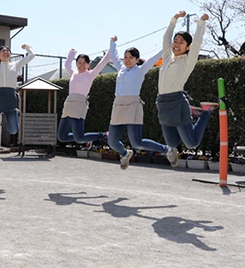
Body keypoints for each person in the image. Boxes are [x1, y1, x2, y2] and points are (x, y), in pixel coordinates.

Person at [156, 11, 217, 165]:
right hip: (162, 102)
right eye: (175, 41)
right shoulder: (168, 58)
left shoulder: (187, 62)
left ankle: (204, 113)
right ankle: (192, 113)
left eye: (181, 42)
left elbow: (197, 43)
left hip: (177, 103)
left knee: (191, 143)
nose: (176, 44)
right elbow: (165, 39)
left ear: (187, 47)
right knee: (172, 143)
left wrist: (201, 23)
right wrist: (174, 20)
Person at [107, 36, 177, 170]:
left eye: (131, 58)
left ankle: (167, 150)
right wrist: (113, 42)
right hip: (118, 106)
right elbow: (114, 55)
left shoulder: (140, 70)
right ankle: (125, 153)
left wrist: (169, 46)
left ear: (137, 60)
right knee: (112, 141)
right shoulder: (120, 68)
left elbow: (156, 57)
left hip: (133, 106)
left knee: (137, 142)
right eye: (126, 57)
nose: (127, 60)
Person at [0, 44, 36, 134]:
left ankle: (15, 111)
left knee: (13, 130)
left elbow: (32, 55)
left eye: (8, 51)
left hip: (10, 97)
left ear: (10, 55)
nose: (6, 52)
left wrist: (27, 47)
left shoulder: (16, 65)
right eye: (3, 51)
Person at [57, 47, 110, 147]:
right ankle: (88, 139)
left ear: (88, 64)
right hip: (68, 106)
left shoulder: (90, 74)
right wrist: (72, 53)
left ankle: (103, 136)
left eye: (84, 62)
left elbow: (102, 63)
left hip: (79, 106)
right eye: (79, 62)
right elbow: (67, 64)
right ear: (76, 64)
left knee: (79, 138)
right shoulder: (73, 74)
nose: (81, 65)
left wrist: (111, 48)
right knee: (61, 137)